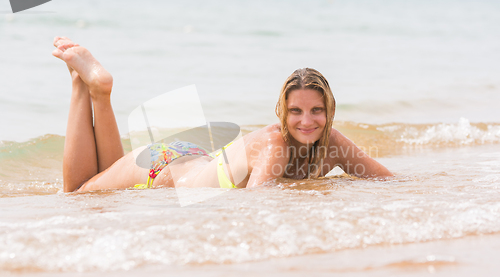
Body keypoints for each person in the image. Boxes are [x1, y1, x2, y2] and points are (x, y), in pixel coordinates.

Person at [52, 37, 393, 193]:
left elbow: (389, 182)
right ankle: (84, 87)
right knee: (80, 190)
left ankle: (96, 90)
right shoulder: (278, 145)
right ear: (281, 113)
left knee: (104, 183)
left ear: (329, 111)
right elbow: (258, 209)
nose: (307, 121)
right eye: (296, 111)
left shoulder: (332, 142)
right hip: (166, 168)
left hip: (190, 159)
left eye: (316, 111)